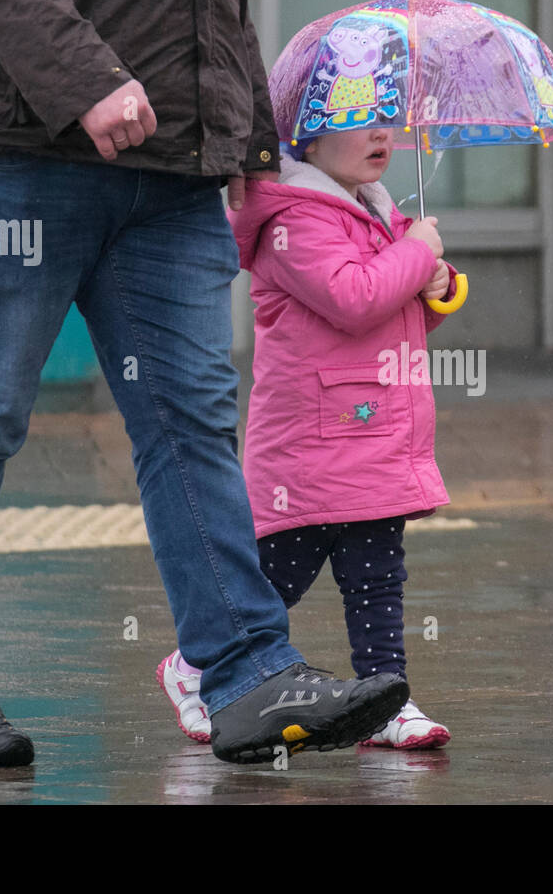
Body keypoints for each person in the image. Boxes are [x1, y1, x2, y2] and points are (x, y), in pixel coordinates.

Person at [0, 0, 407, 767]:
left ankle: (246, 676)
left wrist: (242, 135)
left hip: (168, 169)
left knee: (193, 420)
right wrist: (87, 82)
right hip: (7, 156)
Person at [158, 118, 456, 750]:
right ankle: (193, 666)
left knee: (377, 574)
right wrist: (418, 253)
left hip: (373, 439)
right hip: (312, 444)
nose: (381, 138)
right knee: (278, 579)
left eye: (385, 126)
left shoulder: (377, 214)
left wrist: (440, 286)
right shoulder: (297, 220)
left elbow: (399, 317)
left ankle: (388, 695)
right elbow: (354, 297)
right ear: (308, 144)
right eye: (358, 126)